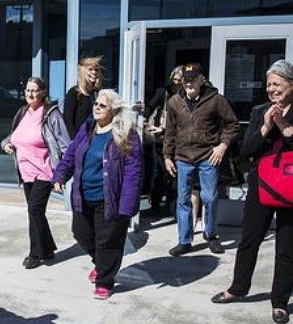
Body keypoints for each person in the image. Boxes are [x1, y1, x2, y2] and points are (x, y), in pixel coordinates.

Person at [211, 59, 293, 324]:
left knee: (287, 247)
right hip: (263, 184)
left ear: (290, 85)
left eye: (277, 84)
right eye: (269, 84)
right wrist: (267, 126)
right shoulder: (260, 110)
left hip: (290, 187)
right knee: (249, 239)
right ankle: (237, 288)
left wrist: (283, 126)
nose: (272, 89)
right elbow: (246, 150)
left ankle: (279, 302)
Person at [52, 89, 143, 300]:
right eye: (96, 104)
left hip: (110, 198)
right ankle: (101, 264)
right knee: (81, 233)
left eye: (102, 105)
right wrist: (60, 177)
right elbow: (71, 154)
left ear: (113, 110)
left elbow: (133, 172)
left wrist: (127, 205)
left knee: (107, 241)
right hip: (83, 196)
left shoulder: (126, 133)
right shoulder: (88, 128)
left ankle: (104, 280)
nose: (96, 108)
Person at [163, 63, 239, 256]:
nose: (188, 83)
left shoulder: (216, 100)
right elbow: (170, 132)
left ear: (201, 80)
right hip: (182, 157)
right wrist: (167, 156)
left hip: (207, 156)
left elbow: (232, 125)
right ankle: (184, 240)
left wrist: (222, 146)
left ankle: (210, 235)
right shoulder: (173, 102)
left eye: (192, 79)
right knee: (183, 199)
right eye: (185, 80)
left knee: (210, 197)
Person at [1, 77, 71, 269]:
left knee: (34, 211)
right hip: (25, 172)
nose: (30, 94)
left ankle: (35, 254)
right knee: (36, 213)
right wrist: (6, 144)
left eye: (34, 90)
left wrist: (62, 174)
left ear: (43, 92)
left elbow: (67, 145)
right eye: (27, 91)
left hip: (45, 172)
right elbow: (11, 137)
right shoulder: (22, 112)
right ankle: (47, 250)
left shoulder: (51, 115)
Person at [143, 65, 183, 215]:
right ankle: (155, 205)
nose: (176, 83)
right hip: (161, 141)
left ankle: (172, 207)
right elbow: (149, 109)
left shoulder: (186, 95)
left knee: (174, 175)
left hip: (179, 142)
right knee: (158, 173)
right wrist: (143, 122)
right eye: (175, 79)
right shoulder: (163, 93)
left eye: (180, 80)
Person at [64, 56, 103, 140]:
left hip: (95, 139)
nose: (94, 72)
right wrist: (76, 141)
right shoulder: (74, 93)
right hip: (79, 141)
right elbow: (68, 122)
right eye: (90, 69)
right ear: (82, 71)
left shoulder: (98, 94)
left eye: (96, 70)